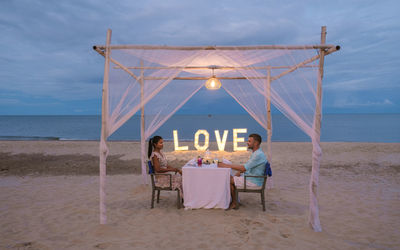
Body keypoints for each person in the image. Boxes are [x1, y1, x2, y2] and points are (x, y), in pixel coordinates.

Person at [218, 133, 268, 210]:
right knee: (231, 178)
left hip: (253, 181)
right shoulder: (257, 153)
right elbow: (247, 167)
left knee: (227, 179)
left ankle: (234, 202)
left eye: (249, 141)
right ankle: (234, 201)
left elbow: (244, 168)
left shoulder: (258, 155)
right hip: (252, 177)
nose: (247, 142)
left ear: (256, 143)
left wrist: (225, 165)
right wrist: (240, 172)